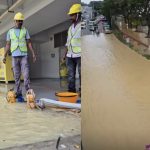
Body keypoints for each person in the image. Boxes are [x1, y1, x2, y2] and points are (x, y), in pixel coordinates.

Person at [3, 12, 36, 100]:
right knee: (16, 76)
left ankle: (28, 92)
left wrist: (33, 53)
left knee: (26, 75)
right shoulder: (10, 32)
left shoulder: (25, 30)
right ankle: (18, 92)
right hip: (14, 56)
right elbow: (7, 44)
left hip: (24, 56)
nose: (20, 22)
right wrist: (4, 56)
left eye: (21, 21)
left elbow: (29, 43)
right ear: (14, 21)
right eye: (18, 21)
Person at [64, 4, 81, 95]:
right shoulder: (70, 28)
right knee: (70, 75)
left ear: (78, 14)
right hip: (70, 55)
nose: (70, 17)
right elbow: (68, 42)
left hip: (80, 55)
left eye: (72, 15)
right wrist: (64, 55)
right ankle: (71, 91)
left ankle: (82, 91)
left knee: (82, 74)